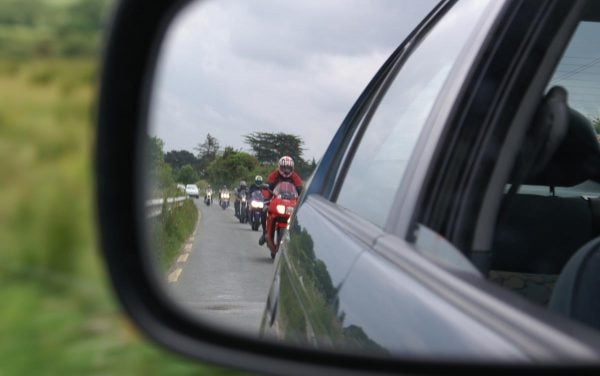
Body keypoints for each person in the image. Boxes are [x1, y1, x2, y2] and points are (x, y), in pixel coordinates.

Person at [259, 156, 303, 245]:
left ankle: (297, 242)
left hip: (291, 201)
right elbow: (267, 187)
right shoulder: (274, 175)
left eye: (288, 168)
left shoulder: (295, 177)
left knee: (298, 218)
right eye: (284, 168)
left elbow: (300, 190)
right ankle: (264, 233)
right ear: (280, 167)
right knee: (264, 210)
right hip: (276, 199)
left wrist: (301, 200)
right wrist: (266, 198)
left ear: (292, 168)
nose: (286, 170)